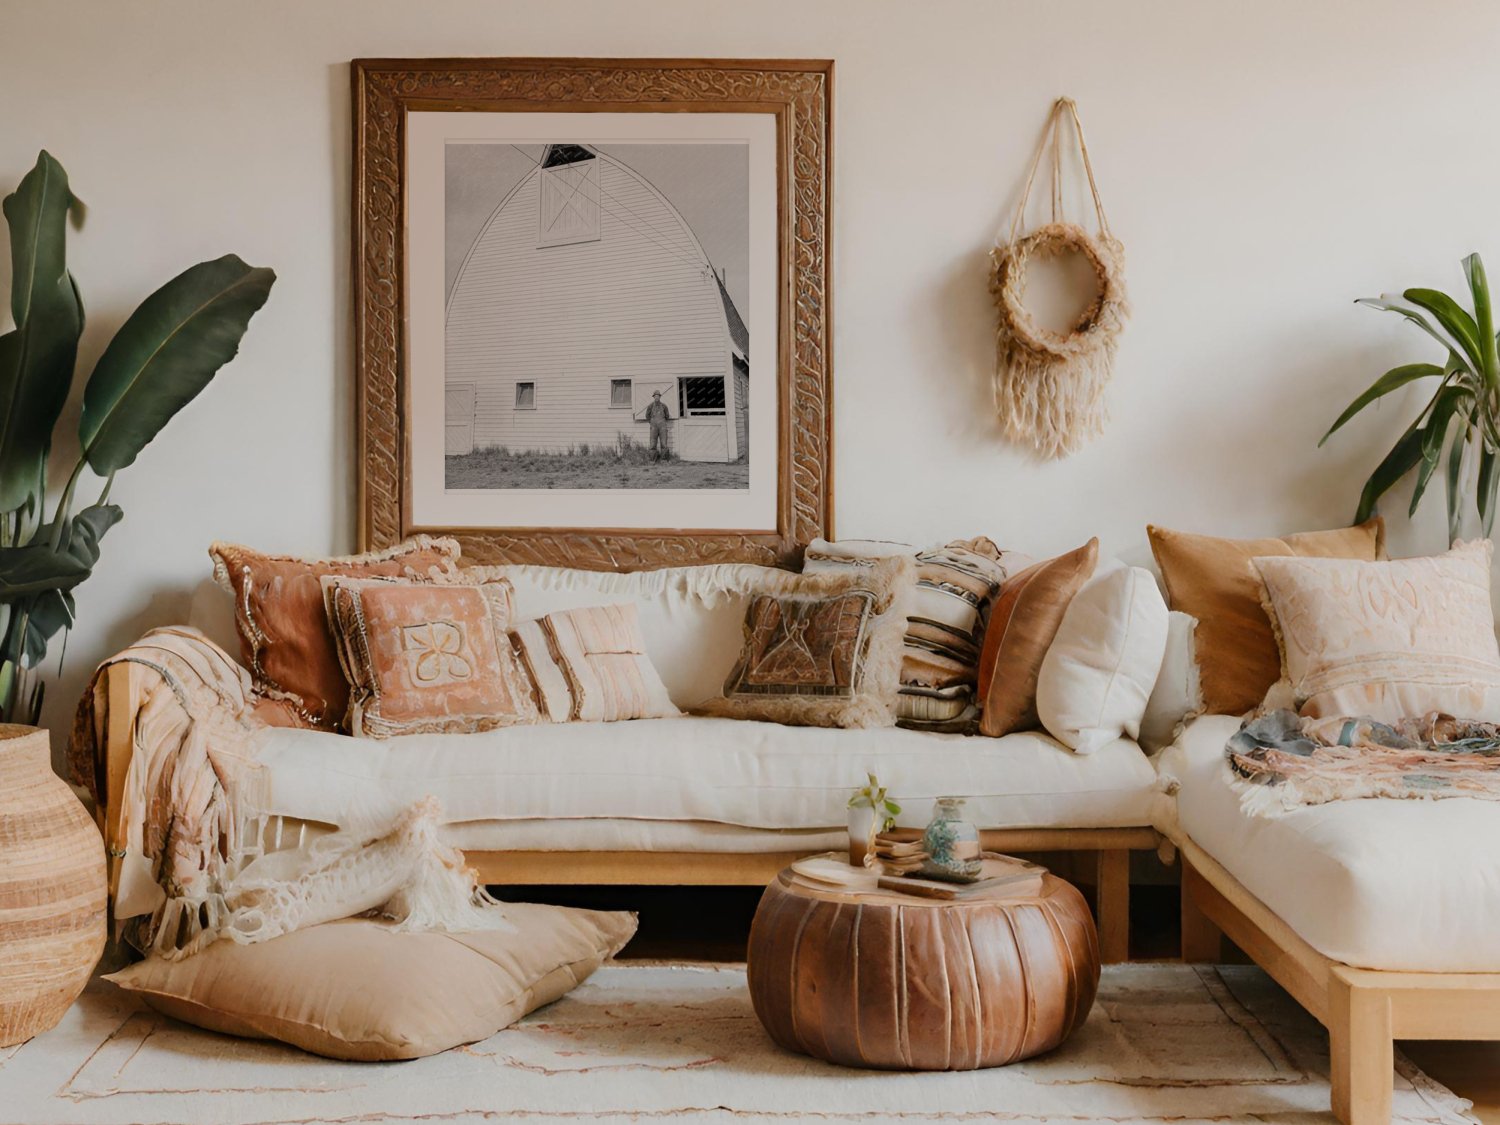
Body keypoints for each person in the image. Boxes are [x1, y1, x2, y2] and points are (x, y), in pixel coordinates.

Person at [643, 389, 671, 461]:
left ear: (660, 397)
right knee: (652, 444)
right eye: (655, 396)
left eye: (658, 396)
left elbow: (667, 416)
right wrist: (652, 423)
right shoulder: (650, 406)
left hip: (662, 427)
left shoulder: (664, 406)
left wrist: (662, 422)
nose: (657, 397)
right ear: (653, 397)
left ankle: (664, 460)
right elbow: (647, 416)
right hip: (653, 427)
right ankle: (652, 460)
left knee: (664, 443)